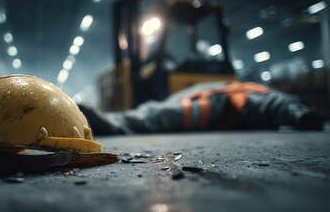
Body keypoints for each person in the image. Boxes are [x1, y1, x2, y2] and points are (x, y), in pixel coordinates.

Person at [79, 81, 323, 135]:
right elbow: (278, 104)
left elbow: (278, 103)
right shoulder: (255, 93)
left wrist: (300, 115)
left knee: (163, 112)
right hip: (221, 99)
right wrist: (300, 116)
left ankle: (114, 122)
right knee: (166, 114)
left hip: (223, 101)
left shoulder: (266, 96)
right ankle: (114, 123)